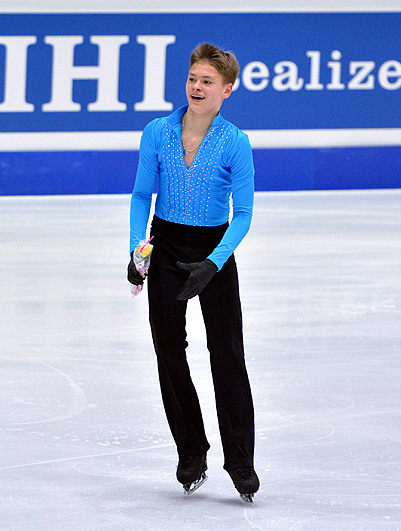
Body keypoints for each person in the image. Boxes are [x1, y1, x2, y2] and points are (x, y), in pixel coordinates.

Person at [127, 42, 259, 503]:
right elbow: (142, 195)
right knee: (169, 352)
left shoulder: (235, 142)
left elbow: (242, 213)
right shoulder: (157, 132)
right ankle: (191, 452)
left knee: (227, 356)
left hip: (213, 252)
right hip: (163, 248)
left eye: (207, 82)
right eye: (192, 79)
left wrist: (213, 262)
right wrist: (137, 252)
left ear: (226, 90)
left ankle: (241, 462)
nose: (197, 88)